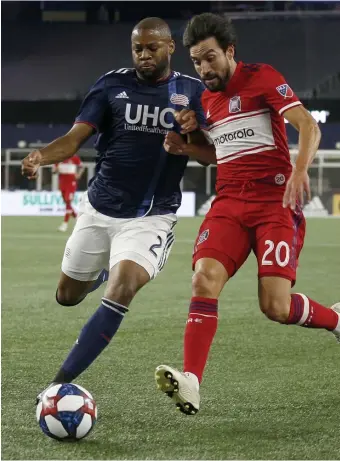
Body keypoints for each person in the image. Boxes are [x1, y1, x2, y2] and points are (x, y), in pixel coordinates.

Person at [155, 12, 340, 415]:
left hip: (274, 202)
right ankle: (191, 381)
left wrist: (300, 170)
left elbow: (308, 125)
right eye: (196, 61)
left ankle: (336, 320)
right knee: (203, 279)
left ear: (230, 51)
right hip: (229, 204)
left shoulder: (262, 77)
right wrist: (189, 147)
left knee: (275, 306)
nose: (204, 69)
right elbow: (218, 156)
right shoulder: (206, 101)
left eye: (210, 58)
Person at [21, 17, 206, 400]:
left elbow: (213, 154)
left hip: (151, 217)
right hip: (99, 208)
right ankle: (104, 269)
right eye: (137, 48)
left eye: (152, 47)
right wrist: (42, 155)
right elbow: (75, 139)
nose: (144, 55)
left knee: (123, 288)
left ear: (170, 47)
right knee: (67, 296)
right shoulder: (110, 84)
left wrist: (192, 137)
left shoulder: (193, 92)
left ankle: (57, 385)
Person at [53, 155, 85, 232]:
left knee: (68, 201)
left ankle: (65, 224)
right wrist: (56, 169)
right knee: (67, 203)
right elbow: (54, 171)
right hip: (62, 182)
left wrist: (78, 175)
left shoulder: (74, 157)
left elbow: (81, 166)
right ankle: (78, 219)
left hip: (71, 182)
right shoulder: (59, 158)